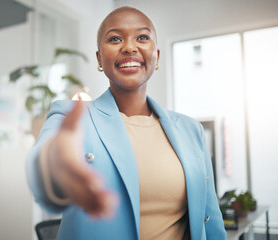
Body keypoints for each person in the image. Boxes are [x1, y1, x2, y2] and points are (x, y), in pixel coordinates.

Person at [26, 6, 226, 240]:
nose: (130, 47)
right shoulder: (72, 117)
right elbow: (45, 170)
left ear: (157, 56)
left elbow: (211, 220)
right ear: (100, 58)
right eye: (115, 39)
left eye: (142, 37)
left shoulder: (191, 130)